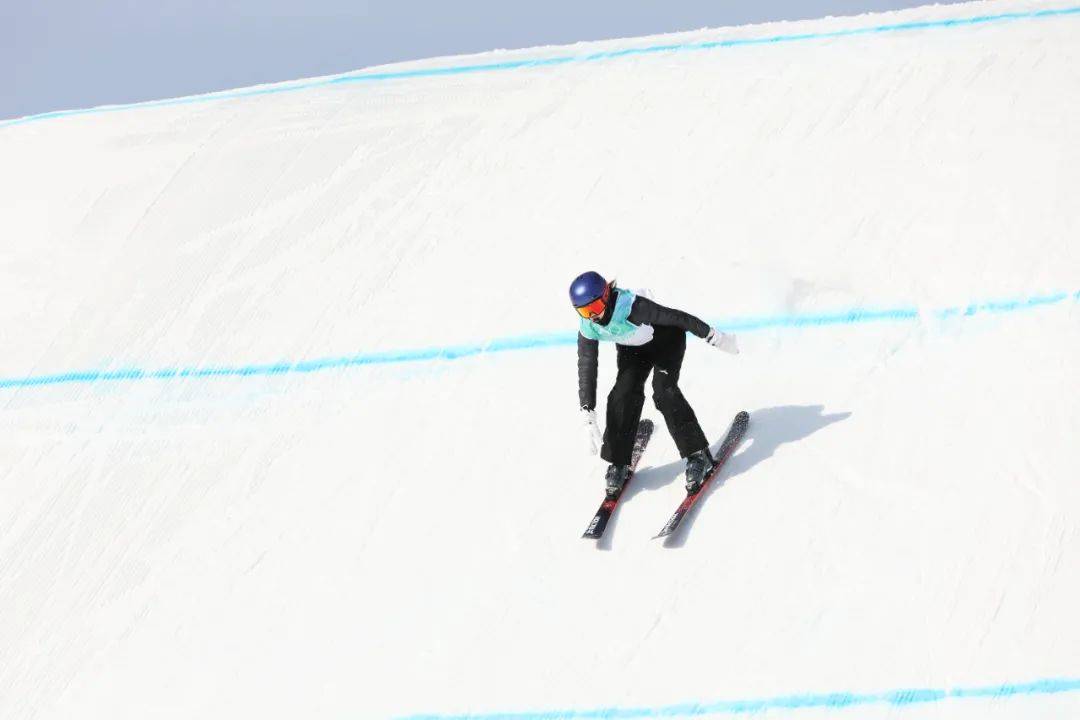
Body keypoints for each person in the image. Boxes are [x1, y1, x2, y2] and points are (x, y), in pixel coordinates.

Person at [570, 270, 739, 498]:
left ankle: (697, 454)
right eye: (584, 311)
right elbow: (587, 363)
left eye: (594, 308)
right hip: (632, 350)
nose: (592, 316)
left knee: (664, 392)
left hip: (665, 342)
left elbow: (679, 318)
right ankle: (618, 463)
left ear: (607, 294)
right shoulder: (588, 326)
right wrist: (587, 411)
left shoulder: (633, 307)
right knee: (622, 395)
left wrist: (714, 336)